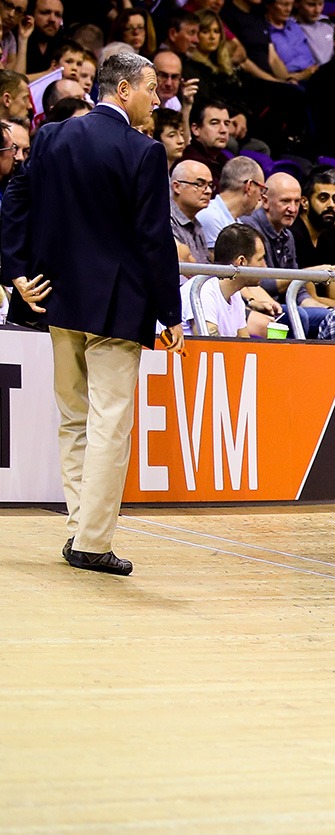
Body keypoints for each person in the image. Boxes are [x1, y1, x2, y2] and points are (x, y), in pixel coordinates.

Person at [1, 50, 182, 575]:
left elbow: (15, 193)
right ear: (123, 90)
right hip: (117, 308)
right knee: (109, 424)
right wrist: (170, 314)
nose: (156, 98)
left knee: (73, 420)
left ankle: (79, 525)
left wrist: (15, 269)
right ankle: (93, 542)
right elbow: (154, 240)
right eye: (151, 88)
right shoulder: (143, 151)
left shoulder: (54, 136)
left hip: (58, 300)